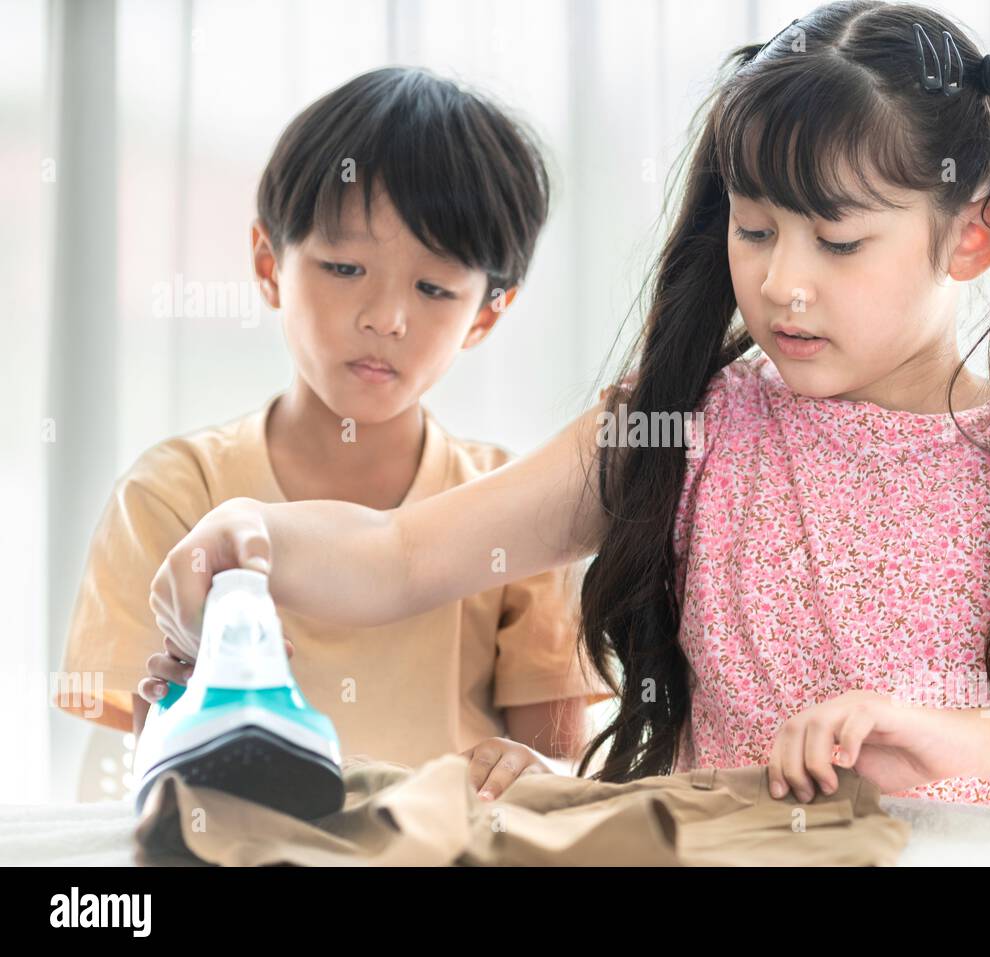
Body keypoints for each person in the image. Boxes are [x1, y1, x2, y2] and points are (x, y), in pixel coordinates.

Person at [146, 4, 990, 827]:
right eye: (754, 228)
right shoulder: (680, 430)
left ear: (972, 237)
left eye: (838, 242)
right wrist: (252, 536)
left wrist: (974, 740)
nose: (784, 280)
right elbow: (399, 557)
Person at [55, 67, 611, 801]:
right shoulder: (172, 495)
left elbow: (559, 769)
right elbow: (123, 778)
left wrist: (543, 776)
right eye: (345, 266)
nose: (385, 316)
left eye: (434, 287)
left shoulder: (518, 510)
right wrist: (180, 709)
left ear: (487, 314)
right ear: (268, 265)